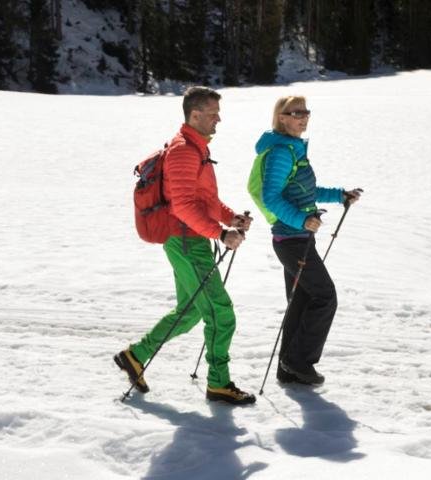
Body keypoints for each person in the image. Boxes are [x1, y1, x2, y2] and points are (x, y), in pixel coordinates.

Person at [115, 86, 257, 405]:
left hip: (190, 239)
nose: (218, 120)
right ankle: (219, 384)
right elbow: (181, 206)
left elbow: (204, 200)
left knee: (191, 310)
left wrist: (230, 218)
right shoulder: (183, 151)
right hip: (185, 241)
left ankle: (135, 356)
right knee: (221, 313)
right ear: (195, 115)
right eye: (212, 114)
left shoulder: (197, 148)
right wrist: (219, 235)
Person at [255, 95, 361, 386]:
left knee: (301, 301)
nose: (303, 117)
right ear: (282, 117)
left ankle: (289, 371)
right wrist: (301, 220)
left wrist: (339, 195)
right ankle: (298, 361)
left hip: (297, 238)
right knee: (325, 297)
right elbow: (271, 197)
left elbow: (305, 191)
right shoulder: (281, 152)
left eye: (306, 112)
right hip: (291, 239)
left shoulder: (293, 149)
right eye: (296, 112)